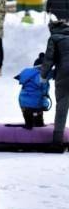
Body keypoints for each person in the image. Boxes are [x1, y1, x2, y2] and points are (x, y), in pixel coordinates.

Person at [40, 20, 69, 152]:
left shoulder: (54, 38)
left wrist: (43, 75)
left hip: (64, 74)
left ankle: (57, 143)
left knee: (62, 106)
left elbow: (49, 59)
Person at [15, 65, 50, 129]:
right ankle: (39, 129)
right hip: (36, 106)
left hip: (23, 104)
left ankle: (28, 128)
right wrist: (45, 105)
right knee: (38, 123)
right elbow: (44, 93)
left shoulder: (27, 74)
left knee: (28, 122)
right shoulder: (43, 76)